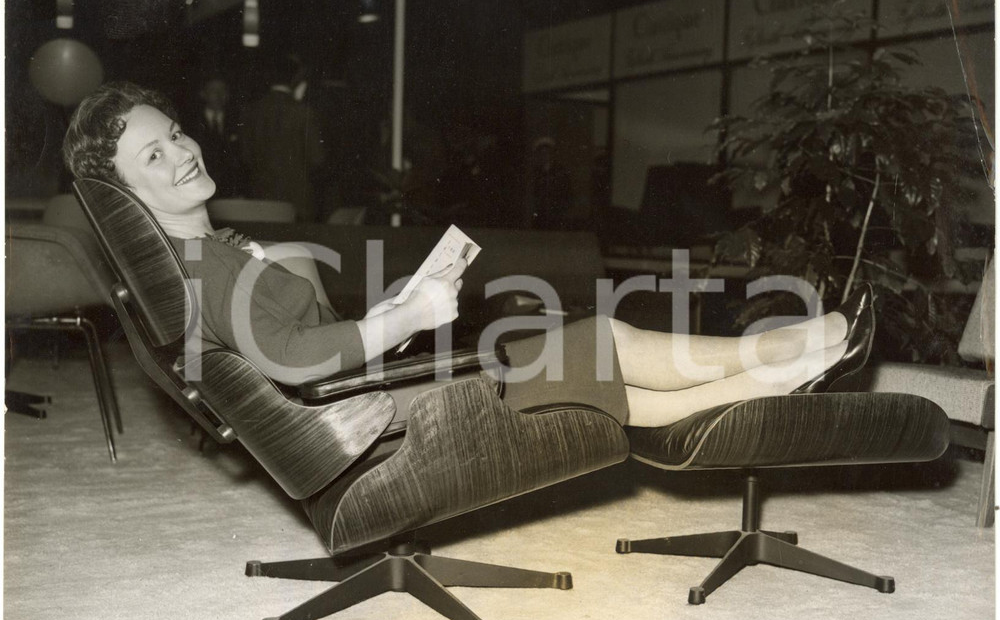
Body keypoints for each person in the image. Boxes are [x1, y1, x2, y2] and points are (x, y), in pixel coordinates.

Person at [62, 82, 874, 428]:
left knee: (596, 385)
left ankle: (783, 371)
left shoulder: (211, 253)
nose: (182, 154)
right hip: (383, 416)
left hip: (376, 392)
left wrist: (394, 310)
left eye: (174, 135)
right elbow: (294, 359)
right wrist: (408, 316)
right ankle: (781, 349)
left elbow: (303, 346)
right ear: (129, 199)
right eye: (154, 159)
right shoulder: (202, 269)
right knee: (603, 343)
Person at [238, 54, 325, 221]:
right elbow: (318, 159)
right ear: (295, 78)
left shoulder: (250, 111)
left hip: (260, 198)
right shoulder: (303, 112)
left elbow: (245, 157)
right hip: (297, 201)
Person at [185, 75, 241, 198]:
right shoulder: (190, 123)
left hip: (230, 192)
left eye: (223, 90)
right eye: (213, 91)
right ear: (203, 94)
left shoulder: (238, 121)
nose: (218, 95)